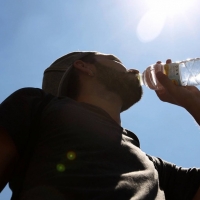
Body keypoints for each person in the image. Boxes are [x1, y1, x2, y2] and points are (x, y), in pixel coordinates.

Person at [0, 51, 200, 200]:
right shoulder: (37, 106)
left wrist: (194, 104)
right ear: (85, 66)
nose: (133, 69)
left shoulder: (153, 166)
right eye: (115, 60)